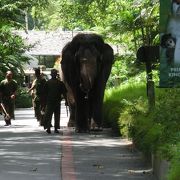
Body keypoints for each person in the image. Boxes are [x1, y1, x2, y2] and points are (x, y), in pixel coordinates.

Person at [43, 69, 67, 134]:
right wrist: (66, 101)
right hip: (54, 101)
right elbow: (64, 93)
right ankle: (53, 128)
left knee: (49, 115)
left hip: (52, 102)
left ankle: (50, 128)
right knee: (55, 115)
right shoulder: (59, 83)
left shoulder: (48, 83)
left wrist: (43, 103)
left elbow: (44, 94)